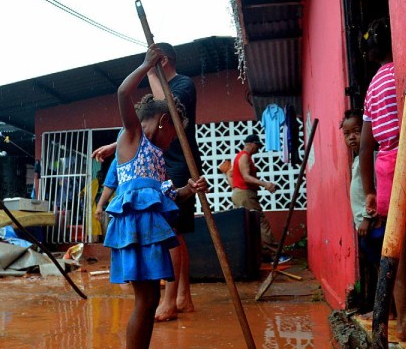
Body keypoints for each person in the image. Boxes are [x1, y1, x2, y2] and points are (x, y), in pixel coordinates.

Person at [103, 44, 207, 349]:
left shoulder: (158, 158)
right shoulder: (132, 135)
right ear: (164, 122)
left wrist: (191, 189)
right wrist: (146, 64)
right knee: (145, 300)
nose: (171, 141)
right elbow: (124, 93)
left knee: (148, 301)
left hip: (149, 228)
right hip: (136, 229)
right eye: (173, 134)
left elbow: (167, 195)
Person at [359, 17, 406, 340]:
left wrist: (368, 191)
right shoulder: (400, 73)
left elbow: (366, 144)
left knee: (396, 241)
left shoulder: (373, 85)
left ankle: (402, 315)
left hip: (384, 162)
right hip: (404, 155)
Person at [341, 109, 381, 317]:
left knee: (383, 268)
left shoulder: (371, 158)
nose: (352, 137)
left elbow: (376, 190)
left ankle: (388, 312)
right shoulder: (358, 160)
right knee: (376, 268)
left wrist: (367, 217)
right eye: (347, 134)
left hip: (374, 224)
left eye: (357, 131)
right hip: (364, 226)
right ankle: (382, 310)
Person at [231, 134, 288, 264]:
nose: (258, 149)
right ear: (251, 144)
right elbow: (246, 177)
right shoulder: (244, 156)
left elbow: (230, 173)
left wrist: (235, 188)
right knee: (261, 223)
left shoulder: (242, 157)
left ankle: (261, 255)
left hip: (241, 193)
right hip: (245, 194)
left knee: (251, 226)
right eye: (257, 146)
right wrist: (265, 184)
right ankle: (276, 254)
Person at [95, 159, 118, 237]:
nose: (100, 178)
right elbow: (110, 185)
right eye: (99, 176)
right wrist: (99, 206)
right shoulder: (117, 160)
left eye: (101, 176)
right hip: (117, 208)